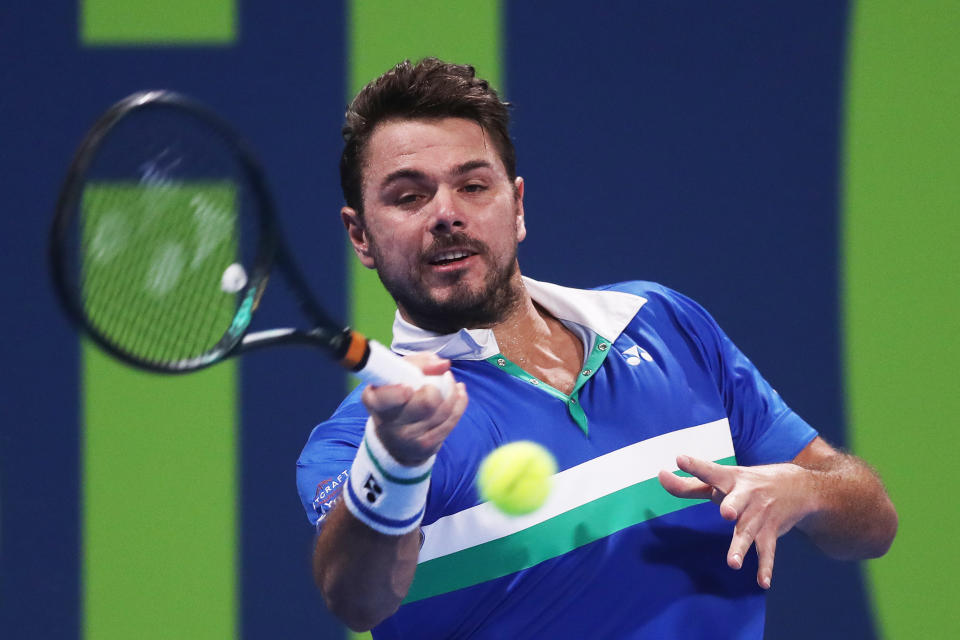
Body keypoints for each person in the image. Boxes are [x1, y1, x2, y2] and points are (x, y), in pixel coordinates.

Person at [296, 58, 897, 639]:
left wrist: (804, 489)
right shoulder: (358, 444)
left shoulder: (662, 323)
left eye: (473, 185)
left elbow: (873, 524)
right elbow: (357, 599)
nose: (447, 215)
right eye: (408, 197)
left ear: (518, 205)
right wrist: (396, 460)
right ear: (361, 237)